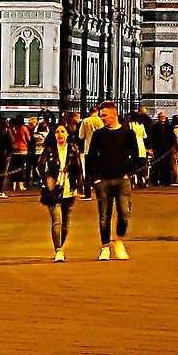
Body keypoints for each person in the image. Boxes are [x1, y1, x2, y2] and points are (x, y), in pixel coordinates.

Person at [85, 101, 139, 259]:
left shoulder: (128, 134)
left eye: (104, 115)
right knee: (104, 216)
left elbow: (135, 155)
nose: (102, 119)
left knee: (124, 212)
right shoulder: (98, 134)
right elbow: (91, 157)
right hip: (103, 180)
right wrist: (94, 178)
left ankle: (119, 240)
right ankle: (105, 246)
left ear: (114, 115)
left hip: (122, 179)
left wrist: (129, 173)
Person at [39, 117, 79, 260]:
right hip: (53, 189)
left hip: (69, 188)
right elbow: (40, 166)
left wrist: (80, 187)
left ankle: (61, 244)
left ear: (67, 134)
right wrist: (47, 178)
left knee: (66, 223)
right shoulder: (49, 150)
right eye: (57, 132)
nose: (60, 134)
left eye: (62, 132)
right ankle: (58, 249)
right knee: (57, 220)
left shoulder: (73, 149)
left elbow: (78, 168)